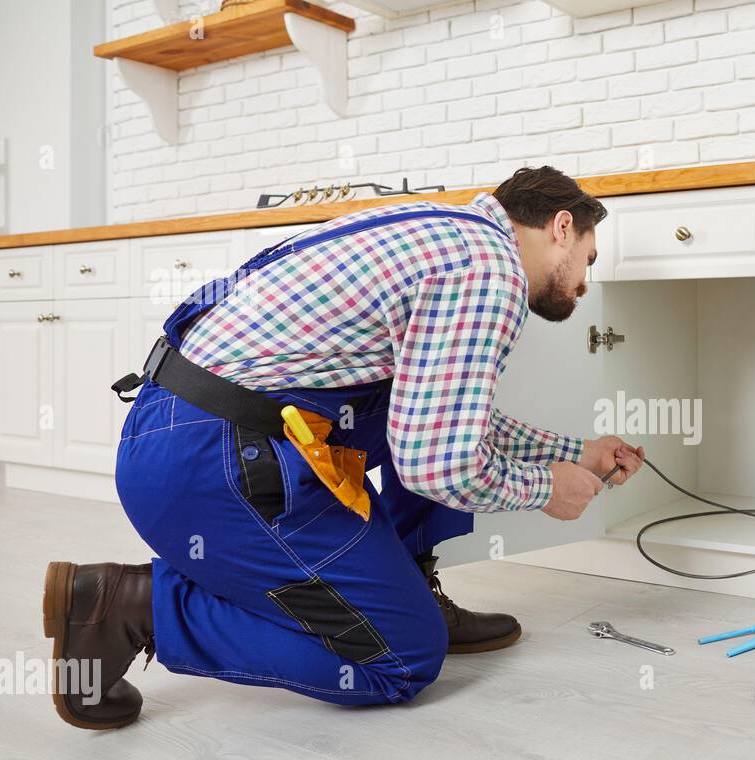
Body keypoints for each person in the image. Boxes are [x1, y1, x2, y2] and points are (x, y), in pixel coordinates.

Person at [42, 166, 644, 729]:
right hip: (214, 467)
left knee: (421, 417)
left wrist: (577, 450)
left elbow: (445, 416)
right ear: (562, 225)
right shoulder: (490, 271)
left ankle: (405, 587)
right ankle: (134, 607)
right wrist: (547, 489)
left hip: (181, 435)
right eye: (588, 259)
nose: (586, 283)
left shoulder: (441, 232)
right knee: (402, 659)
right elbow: (440, 464)